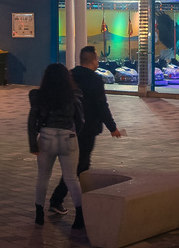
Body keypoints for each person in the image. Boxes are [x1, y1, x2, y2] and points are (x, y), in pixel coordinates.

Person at [50, 47, 125, 210]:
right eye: (97, 59)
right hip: (88, 128)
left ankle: (77, 197)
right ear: (93, 60)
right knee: (80, 164)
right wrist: (112, 127)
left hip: (68, 127)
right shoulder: (95, 80)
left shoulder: (69, 76)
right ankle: (62, 199)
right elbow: (101, 106)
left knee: (79, 164)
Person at [27, 62, 87, 229]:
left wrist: (33, 144)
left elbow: (32, 121)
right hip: (68, 137)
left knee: (43, 176)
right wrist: (75, 135)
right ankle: (80, 215)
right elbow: (80, 120)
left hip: (46, 137)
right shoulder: (74, 95)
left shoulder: (38, 96)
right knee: (71, 178)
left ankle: (39, 213)